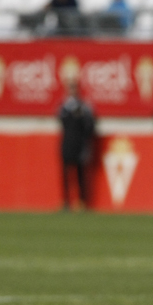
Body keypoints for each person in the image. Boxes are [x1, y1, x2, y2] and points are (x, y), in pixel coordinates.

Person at [58, 80, 96, 210]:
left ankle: (81, 202)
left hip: (80, 145)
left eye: (74, 88)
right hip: (67, 144)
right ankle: (66, 202)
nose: (72, 91)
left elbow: (91, 126)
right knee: (65, 175)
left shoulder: (84, 107)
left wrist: (86, 143)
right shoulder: (64, 106)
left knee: (80, 174)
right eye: (70, 88)